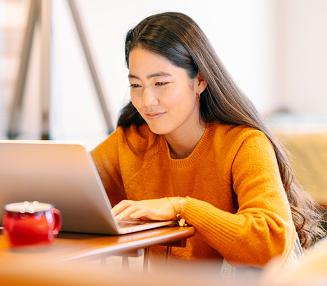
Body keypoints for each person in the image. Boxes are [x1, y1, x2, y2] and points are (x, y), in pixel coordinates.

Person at [90, 12, 324, 271]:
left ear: (199, 79)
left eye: (161, 83)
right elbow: (71, 190)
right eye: (136, 85)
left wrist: (182, 207)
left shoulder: (244, 144)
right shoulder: (131, 142)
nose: (147, 101)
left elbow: (271, 241)